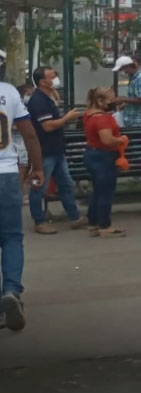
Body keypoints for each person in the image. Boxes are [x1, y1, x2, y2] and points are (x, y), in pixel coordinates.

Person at [1, 80, 43, 332]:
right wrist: (37, 167)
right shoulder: (8, 92)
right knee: (12, 237)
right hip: (5, 174)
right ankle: (12, 290)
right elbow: (29, 133)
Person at [26, 66, 86, 235]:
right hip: (44, 152)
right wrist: (67, 118)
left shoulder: (47, 96)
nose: (56, 79)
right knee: (39, 187)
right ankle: (39, 221)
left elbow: (56, 105)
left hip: (57, 150)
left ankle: (75, 217)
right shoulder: (38, 101)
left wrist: (53, 93)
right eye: (53, 77)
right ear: (43, 82)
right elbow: (48, 126)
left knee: (66, 184)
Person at [82, 88, 128, 238]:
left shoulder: (89, 114)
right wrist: (121, 140)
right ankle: (104, 225)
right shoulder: (103, 119)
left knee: (97, 191)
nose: (113, 102)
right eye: (111, 100)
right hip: (104, 156)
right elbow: (107, 140)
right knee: (106, 192)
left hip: (92, 154)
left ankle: (93, 223)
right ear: (100, 101)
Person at [113, 56, 141, 127]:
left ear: (128, 67)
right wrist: (125, 105)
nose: (124, 72)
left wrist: (123, 99)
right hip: (133, 120)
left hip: (139, 122)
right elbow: (134, 97)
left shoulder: (140, 78)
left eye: (123, 70)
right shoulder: (133, 78)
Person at [15, 83, 33, 207]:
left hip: (23, 141)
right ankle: (19, 194)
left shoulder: (25, 105)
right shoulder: (19, 105)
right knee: (23, 168)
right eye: (29, 93)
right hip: (19, 141)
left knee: (26, 168)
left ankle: (24, 193)